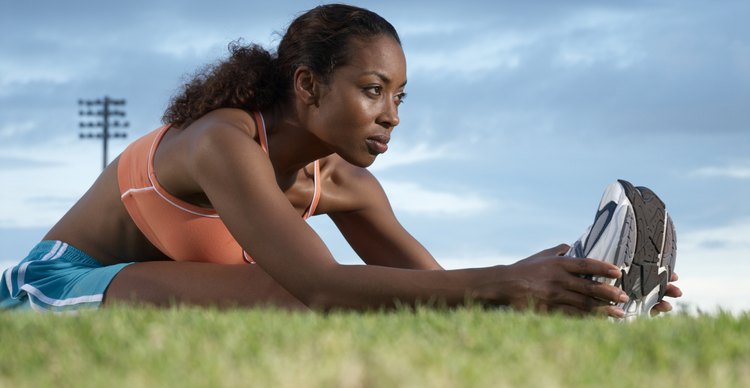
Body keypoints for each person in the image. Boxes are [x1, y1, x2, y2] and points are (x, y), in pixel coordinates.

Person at [1, 4, 680, 314]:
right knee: (291, 293)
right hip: (57, 283)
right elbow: (320, 285)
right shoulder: (220, 142)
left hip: (154, 280)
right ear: (308, 85)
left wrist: (568, 281)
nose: (392, 115)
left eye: (400, 97)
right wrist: (508, 280)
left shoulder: (347, 185)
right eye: (373, 90)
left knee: (398, 303)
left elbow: (439, 294)